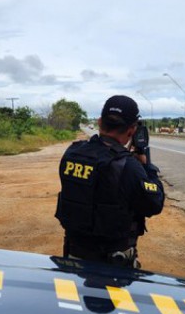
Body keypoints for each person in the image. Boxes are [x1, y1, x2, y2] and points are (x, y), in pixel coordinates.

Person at [55, 95, 164, 267]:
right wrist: (147, 168)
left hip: (72, 257)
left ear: (99, 122)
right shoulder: (128, 166)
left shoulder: (72, 153)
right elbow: (154, 204)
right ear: (131, 131)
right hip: (113, 264)